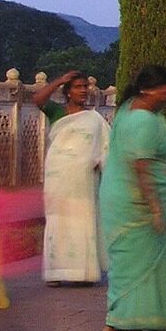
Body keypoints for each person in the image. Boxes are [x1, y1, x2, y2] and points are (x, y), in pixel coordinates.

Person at [98, 65, 166, 331]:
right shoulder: (142, 120)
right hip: (138, 202)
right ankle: (134, 328)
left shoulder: (128, 110)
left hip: (120, 198)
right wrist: (155, 208)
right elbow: (141, 166)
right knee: (143, 263)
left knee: (125, 262)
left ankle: (115, 322)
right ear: (147, 90)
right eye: (164, 90)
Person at [32, 70, 110, 287]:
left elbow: (107, 148)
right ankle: (56, 272)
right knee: (58, 221)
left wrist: (98, 161)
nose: (83, 91)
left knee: (83, 221)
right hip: (59, 177)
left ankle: (82, 273)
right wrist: (59, 80)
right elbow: (38, 99)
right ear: (67, 91)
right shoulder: (58, 112)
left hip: (84, 180)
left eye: (85, 87)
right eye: (77, 87)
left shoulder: (94, 119)